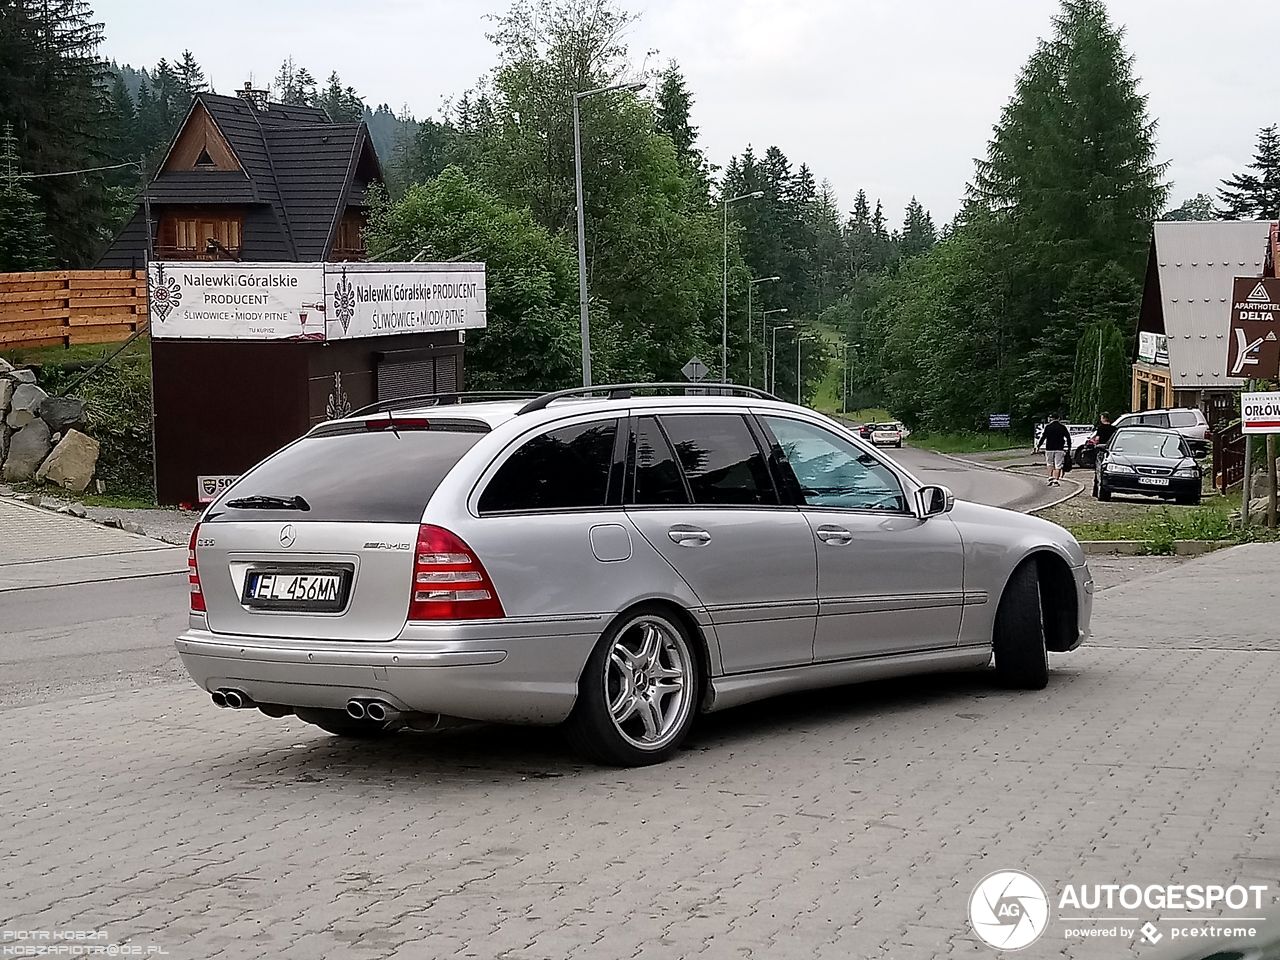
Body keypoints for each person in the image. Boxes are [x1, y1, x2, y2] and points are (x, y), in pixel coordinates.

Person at [1037, 412, 1071, 486]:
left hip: (1049, 448)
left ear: (1051, 418)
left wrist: (1038, 446)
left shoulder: (1048, 427)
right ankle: (1056, 480)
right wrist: (1069, 447)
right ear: (1058, 418)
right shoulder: (1062, 427)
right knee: (1058, 464)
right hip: (1059, 448)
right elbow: (1068, 437)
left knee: (1050, 463)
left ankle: (1050, 477)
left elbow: (1043, 437)